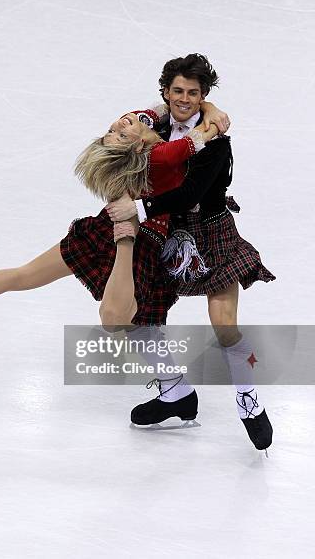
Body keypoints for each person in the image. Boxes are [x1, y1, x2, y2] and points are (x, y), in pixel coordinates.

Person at [0, 107, 222, 335]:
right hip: (147, 235)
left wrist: (148, 115)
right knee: (115, 321)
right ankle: (125, 246)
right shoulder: (163, 154)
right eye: (116, 133)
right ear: (136, 147)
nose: (119, 124)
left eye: (114, 129)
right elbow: (211, 127)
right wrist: (208, 105)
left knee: (23, 275)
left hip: (106, 224)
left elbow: (146, 113)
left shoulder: (142, 131)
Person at [106, 54, 275, 452]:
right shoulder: (153, 124)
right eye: (178, 91)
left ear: (203, 96)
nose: (185, 99)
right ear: (166, 92)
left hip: (212, 235)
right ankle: (174, 392)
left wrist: (140, 208)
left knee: (225, 323)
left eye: (194, 93)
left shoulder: (215, 141)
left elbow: (191, 193)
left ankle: (248, 400)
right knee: (137, 313)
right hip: (167, 234)